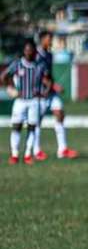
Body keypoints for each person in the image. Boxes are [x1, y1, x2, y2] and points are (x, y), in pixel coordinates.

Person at [4, 40, 51, 164]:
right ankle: (14, 154)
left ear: (34, 51)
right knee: (16, 126)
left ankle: (27, 154)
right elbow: (4, 76)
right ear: (24, 51)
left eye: (31, 50)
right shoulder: (17, 64)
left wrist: (45, 92)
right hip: (20, 100)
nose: (28, 52)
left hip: (34, 101)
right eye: (26, 50)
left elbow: (47, 79)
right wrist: (11, 89)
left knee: (32, 127)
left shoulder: (40, 65)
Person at [33, 31, 78, 160]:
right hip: (39, 93)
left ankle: (62, 149)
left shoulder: (49, 55)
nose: (51, 41)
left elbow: (47, 74)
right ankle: (36, 151)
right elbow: (37, 75)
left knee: (59, 113)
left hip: (50, 93)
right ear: (42, 40)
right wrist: (53, 86)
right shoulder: (35, 55)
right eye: (49, 39)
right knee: (36, 122)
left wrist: (52, 86)